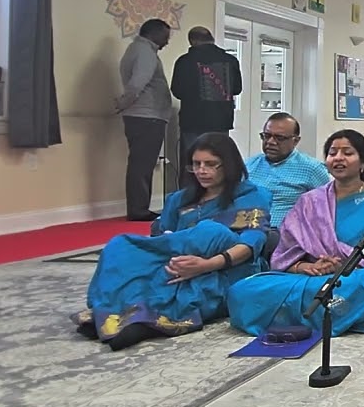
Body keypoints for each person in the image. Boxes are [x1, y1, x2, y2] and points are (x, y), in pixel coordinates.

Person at [72, 133, 271, 351]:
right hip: (179, 261)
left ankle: (148, 323)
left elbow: (253, 242)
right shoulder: (179, 199)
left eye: (211, 164)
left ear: (229, 165)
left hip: (227, 266)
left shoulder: (250, 196)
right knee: (120, 247)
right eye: (196, 164)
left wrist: (206, 265)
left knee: (209, 232)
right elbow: (164, 240)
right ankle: (117, 313)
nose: (201, 170)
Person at [229, 130, 364, 337]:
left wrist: (345, 266)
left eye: (347, 153)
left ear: (363, 162)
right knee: (242, 290)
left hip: (356, 279)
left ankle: (300, 316)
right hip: (310, 279)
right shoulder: (310, 201)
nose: (339, 158)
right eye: (332, 153)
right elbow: (284, 254)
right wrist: (305, 266)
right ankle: (333, 314)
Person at [116, 18, 173, 221]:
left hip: (143, 115)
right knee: (142, 164)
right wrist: (124, 102)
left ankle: (139, 207)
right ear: (154, 33)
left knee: (141, 163)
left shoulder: (137, 49)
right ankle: (138, 210)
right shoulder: (145, 52)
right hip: (147, 115)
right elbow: (137, 83)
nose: (167, 42)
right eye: (166, 37)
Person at [169, 26, 243, 180]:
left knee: (193, 162)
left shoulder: (184, 61)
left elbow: (177, 91)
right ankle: (217, 196)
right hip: (221, 120)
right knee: (217, 160)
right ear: (212, 39)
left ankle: (190, 198)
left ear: (193, 41)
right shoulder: (230, 60)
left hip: (192, 120)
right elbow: (236, 89)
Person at [244, 113, 331, 228]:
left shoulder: (312, 169)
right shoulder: (249, 165)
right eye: (266, 136)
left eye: (279, 138)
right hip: (247, 230)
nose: (270, 142)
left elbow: (328, 209)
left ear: (295, 141)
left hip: (286, 237)